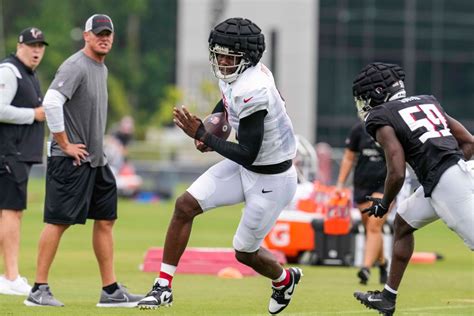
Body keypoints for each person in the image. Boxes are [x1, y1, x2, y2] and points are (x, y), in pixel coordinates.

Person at [138, 17, 302, 314]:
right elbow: (226, 103)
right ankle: (162, 287)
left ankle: (284, 278)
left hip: (272, 180)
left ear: (247, 59)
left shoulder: (253, 88)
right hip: (247, 169)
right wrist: (213, 128)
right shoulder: (237, 76)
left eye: (229, 55)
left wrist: (203, 135)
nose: (222, 60)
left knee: (244, 253)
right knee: (184, 205)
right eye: (219, 53)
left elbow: (248, 152)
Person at [24, 14, 143, 307]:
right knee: (58, 222)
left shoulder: (100, 68)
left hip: (97, 161)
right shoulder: (75, 65)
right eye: (98, 33)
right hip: (71, 160)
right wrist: (64, 143)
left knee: (106, 220)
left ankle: (111, 291)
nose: (104, 38)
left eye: (108, 34)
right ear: (87, 36)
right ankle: (38, 290)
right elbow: (51, 102)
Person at [351, 62, 474, 315]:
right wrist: (448, 169)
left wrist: (384, 203)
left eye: (365, 97)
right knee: (404, 222)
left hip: (446, 182)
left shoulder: (380, 116)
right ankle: (387, 298)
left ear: (377, 93)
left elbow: (396, 171)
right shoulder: (427, 101)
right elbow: (469, 142)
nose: (364, 105)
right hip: (453, 175)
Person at [0, 27, 47, 296]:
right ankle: (11, 276)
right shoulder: (10, 71)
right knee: (11, 212)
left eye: (40, 46)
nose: (37, 50)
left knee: (8, 213)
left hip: (17, 154)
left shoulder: (27, 73)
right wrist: (33, 114)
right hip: (10, 153)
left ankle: (9, 274)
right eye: (32, 45)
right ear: (20, 46)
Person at [335, 121, 389, 285]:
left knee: (374, 225)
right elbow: (349, 157)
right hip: (362, 185)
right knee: (370, 228)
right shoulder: (358, 129)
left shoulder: (391, 128)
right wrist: (340, 184)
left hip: (384, 184)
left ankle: (365, 268)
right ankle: (382, 262)